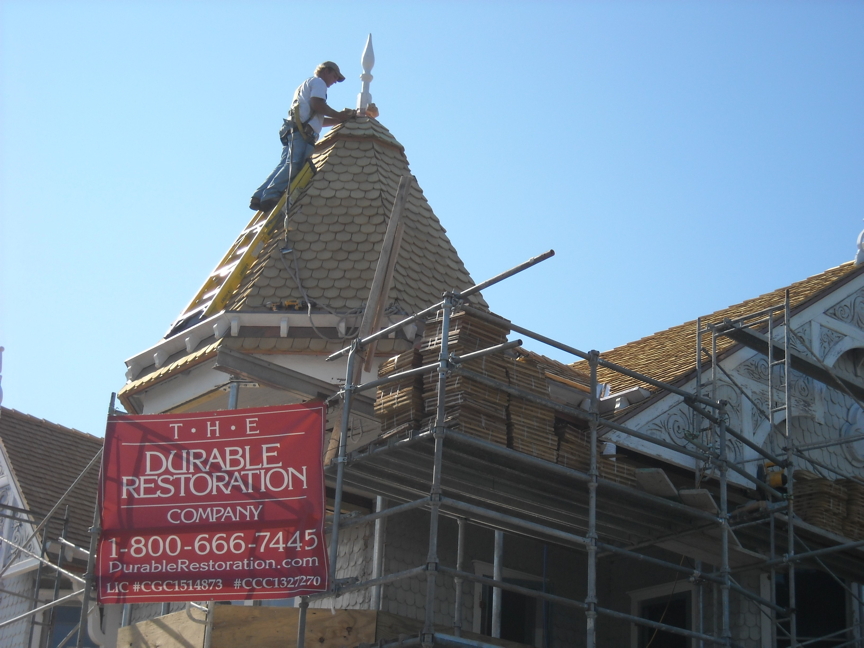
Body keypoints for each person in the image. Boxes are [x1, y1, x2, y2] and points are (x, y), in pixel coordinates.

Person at [250, 62, 355, 212]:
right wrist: (339, 115)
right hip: (301, 133)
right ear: (326, 71)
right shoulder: (319, 83)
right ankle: (270, 195)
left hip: (294, 129)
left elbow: (318, 119)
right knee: (295, 164)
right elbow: (318, 104)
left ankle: (259, 196)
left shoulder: (307, 85)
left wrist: (339, 119)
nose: (334, 81)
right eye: (334, 76)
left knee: (285, 164)